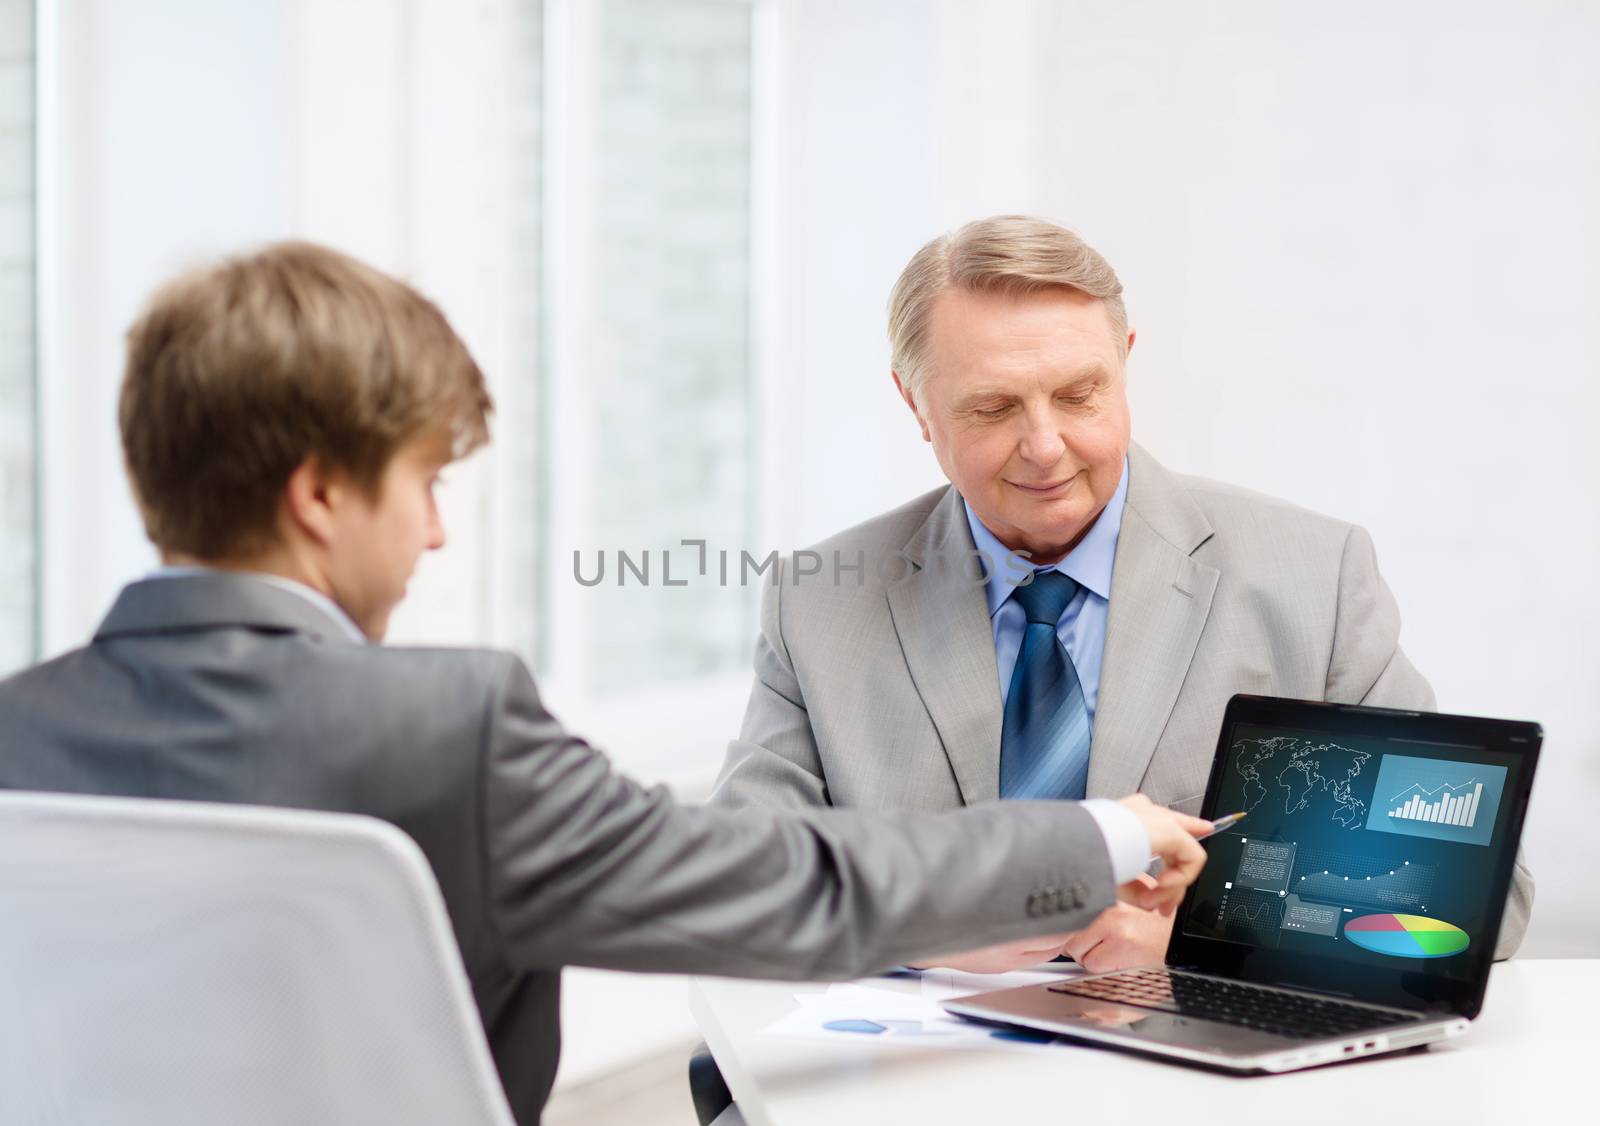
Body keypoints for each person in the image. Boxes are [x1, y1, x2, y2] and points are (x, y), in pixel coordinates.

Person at [0, 242, 1213, 1126]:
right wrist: (1102, 834)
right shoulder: (442, 733)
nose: (431, 533)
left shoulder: (19, 731)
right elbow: (791, 885)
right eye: (422, 481)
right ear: (319, 496)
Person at [713, 215, 1533, 972]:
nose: (1045, 446)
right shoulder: (817, 604)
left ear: (1126, 361)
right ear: (914, 403)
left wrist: (1202, 935)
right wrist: (942, 930)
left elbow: (1479, 904)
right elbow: (736, 889)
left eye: (1079, 395)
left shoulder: (1314, 580)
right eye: (994, 406)